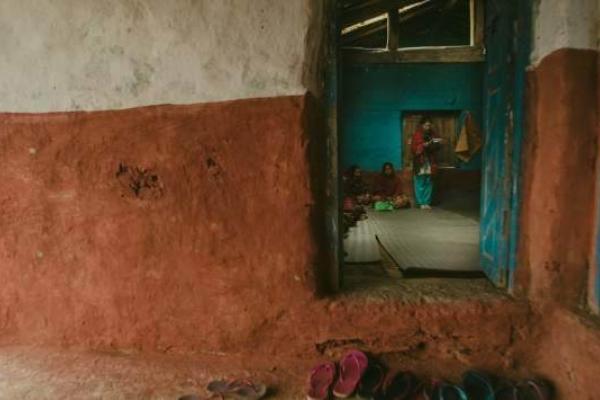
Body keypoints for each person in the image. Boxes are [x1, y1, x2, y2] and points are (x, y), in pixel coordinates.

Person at [411, 116, 441, 209]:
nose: (428, 127)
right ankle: (421, 203)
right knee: (420, 181)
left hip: (430, 161)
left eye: (429, 125)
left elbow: (437, 147)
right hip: (420, 161)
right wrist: (423, 145)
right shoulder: (417, 135)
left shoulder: (433, 134)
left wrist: (438, 143)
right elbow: (413, 149)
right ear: (422, 125)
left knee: (429, 181)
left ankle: (427, 202)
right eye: (426, 125)